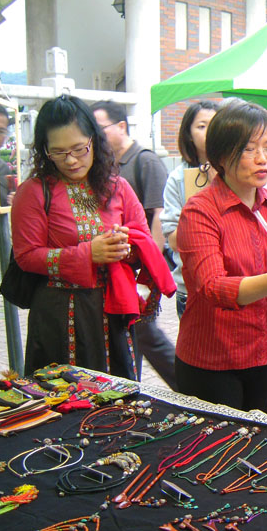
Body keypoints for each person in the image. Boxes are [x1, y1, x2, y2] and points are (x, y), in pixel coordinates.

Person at [175, 101, 267, 413]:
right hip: (211, 356)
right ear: (221, 156)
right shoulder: (200, 210)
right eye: (248, 149)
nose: (262, 159)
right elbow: (212, 288)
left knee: (255, 444)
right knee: (216, 456)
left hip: (259, 351)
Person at [11, 95, 175, 379]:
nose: (71, 160)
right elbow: (26, 256)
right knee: (63, 399)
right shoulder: (34, 192)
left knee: (118, 397)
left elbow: (144, 242)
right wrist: (88, 253)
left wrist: (125, 247)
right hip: (58, 314)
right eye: (58, 152)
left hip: (114, 308)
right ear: (44, 151)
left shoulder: (118, 187)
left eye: (79, 148)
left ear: (94, 141)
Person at [92, 100, 177, 389]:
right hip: (122, 270)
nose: (95, 136)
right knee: (135, 333)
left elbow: (159, 214)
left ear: (121, 126)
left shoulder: (144, 160)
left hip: (141, 268)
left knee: (144, 331)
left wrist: (147, 268)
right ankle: (134, 385)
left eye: (99, 128)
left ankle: (188, 388)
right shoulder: (105, 167)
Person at [160, 100, 218, 319]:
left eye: (214, 124)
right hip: (191, 288)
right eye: (201, 126)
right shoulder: (177, 179)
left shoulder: (236, 173)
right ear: (188, 134)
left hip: (235, 284)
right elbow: (174, 240)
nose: (209, 132)